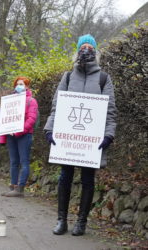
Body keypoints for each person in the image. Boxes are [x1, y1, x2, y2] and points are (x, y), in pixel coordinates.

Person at [44, 34, 116, 236]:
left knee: (87, 180)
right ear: (77, 50)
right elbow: (57, 106)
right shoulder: (67, 77)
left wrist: (108, 135)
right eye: (82, 46)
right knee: (65, 177)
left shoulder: (103, 79)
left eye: (90, 46)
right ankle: (61, 220)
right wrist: (50, 130)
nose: (86, 49)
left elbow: (110, 111)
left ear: (95, 51)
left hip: (90, 143)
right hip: (68, 141)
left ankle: (81, 222)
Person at [0, 77, 39, 197]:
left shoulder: (31, 101)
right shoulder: (10, 101)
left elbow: (31, 119)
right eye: (17, 84)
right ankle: (13, 186)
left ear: (27, 86)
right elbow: (4, 118)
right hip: (11, 135)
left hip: (24, 135)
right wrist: (5, 133)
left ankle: (20, 188)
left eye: (21, 84)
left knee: (24, 161)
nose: (19, 86)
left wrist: (18, 131)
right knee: (14, 162)